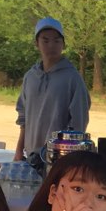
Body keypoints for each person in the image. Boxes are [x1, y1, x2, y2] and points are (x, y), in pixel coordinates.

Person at [14, 18, 91, 163]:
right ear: (36, 43)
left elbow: (79, 123)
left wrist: (66, 156)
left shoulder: (72, 78)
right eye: (45, 40)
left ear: (63, 44)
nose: (51, 45)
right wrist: (19, 152)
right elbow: (23, 118)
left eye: (57, 40)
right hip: (31, 157)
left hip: (59, 158)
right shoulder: (30, 77)